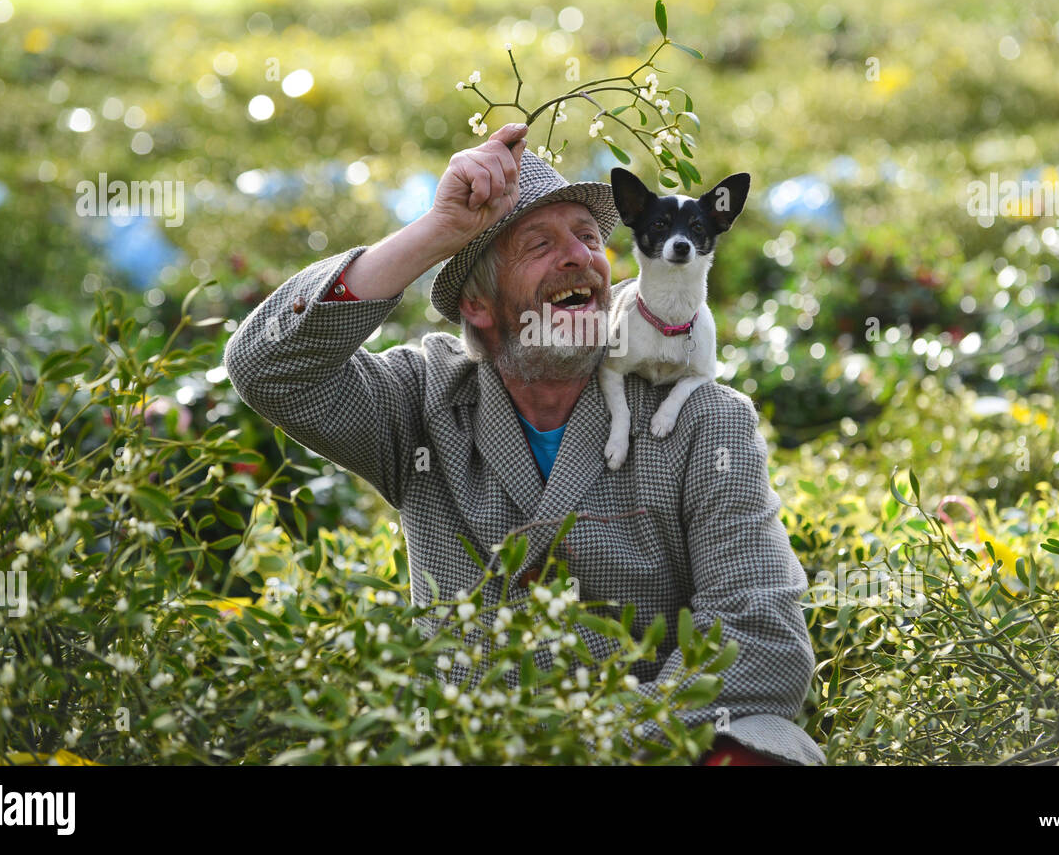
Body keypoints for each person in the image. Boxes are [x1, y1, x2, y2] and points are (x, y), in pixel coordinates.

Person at [222, 121, 825, 765]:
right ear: (478, 308)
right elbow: (267, 367)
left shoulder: (704, 420)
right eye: (540, 243)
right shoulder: (421, 402)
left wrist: (588, 745)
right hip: (472, 749)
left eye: (591, 238)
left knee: (754, 752)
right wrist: (438, 235)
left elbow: (763, 638)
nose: (581, 258)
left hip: (654, 746)